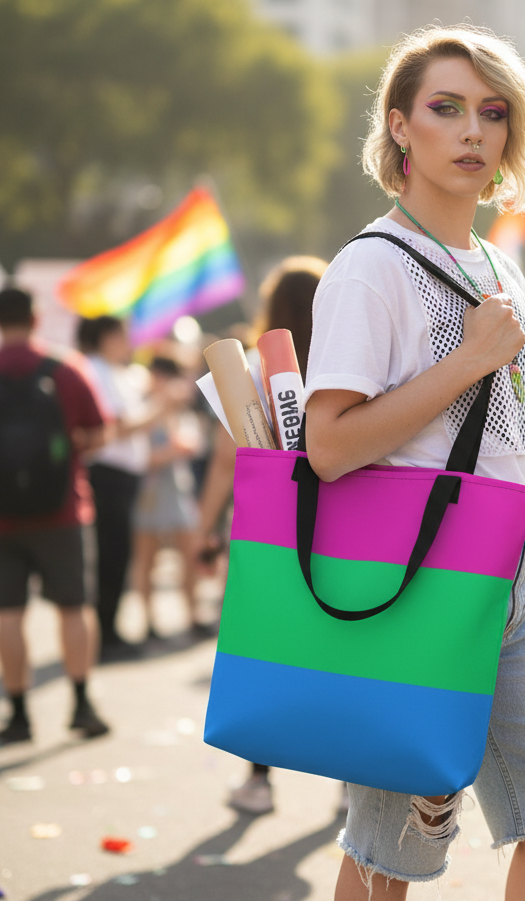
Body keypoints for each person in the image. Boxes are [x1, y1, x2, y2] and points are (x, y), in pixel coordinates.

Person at [304, 26, 525, 901]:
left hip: (507, 583)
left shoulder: (501, 269)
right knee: (392, 847)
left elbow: (512, 454)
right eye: (445, 108)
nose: (473, 131)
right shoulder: (370, 267)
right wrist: (469, 358)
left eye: (492, 111)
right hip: (410, 589)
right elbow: (332, 446)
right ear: (399, 128)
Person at [195, 256, 332, 816]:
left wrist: (205, 529)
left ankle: (258, 780)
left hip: (266, 533)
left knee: (267, 654)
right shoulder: (342, 361)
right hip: (337, 527)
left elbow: (229, 460)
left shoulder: (251, 368)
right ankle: (349, 782)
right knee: (336, 648)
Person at [0, 287, 110, 744]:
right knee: (74, 607)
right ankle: (81, 703)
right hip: (63, 510)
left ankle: (18, 715)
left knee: (8, 615)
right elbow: (98, 434)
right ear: (36, 318)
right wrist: (66, 455)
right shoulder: (65, 370)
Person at [78, 315, 161, 660]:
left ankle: (108, 630)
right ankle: (104, 635)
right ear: (107, 336)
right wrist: (161, 407)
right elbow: (119, 426)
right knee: (110, 556)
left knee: (118, 555)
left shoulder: (117, 372)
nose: (129, 341)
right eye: (124, 335)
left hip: (121, 477)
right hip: (106, 475)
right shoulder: (95, 370)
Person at [130, 355, 203, 639]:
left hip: (179, 492)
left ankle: (193, 614)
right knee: (147, 560)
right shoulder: (144, 412)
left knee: (190, 554)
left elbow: (191, 445)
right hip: (149, 494)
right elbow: (141, 458)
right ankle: (148, 621)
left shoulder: (182, 414)